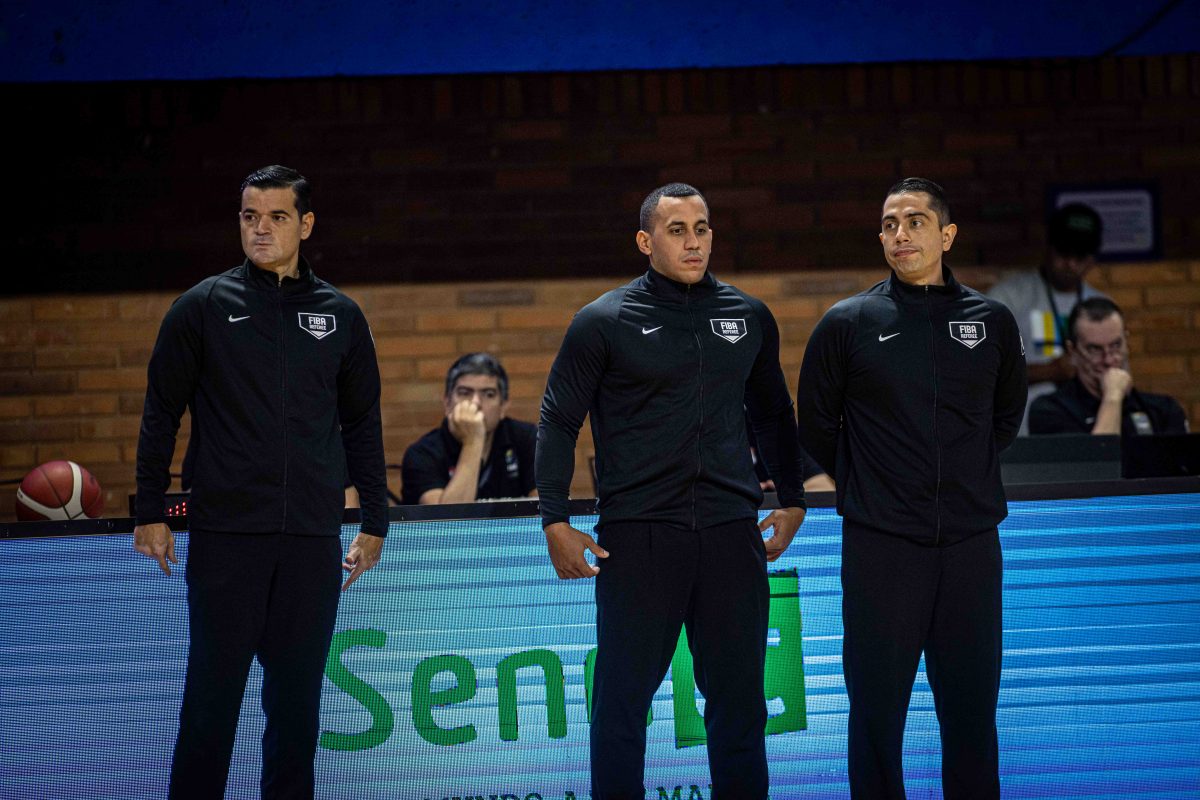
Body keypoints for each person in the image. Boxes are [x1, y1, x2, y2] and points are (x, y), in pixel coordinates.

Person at [536, 183, 807, 799]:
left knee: (740, 707)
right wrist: (554, 518)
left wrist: (792, 499)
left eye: (702, 228)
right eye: (677, 230)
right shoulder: (603, 321)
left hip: (730, 536)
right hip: (639, 538)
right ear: (645, 241)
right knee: (621, 706)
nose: (693, 242)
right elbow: (558, 418)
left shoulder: (748, 315)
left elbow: (773, 414)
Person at [132, 165, 388, 799]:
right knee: (210, 706)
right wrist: (150, 510)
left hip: (309, 540)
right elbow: (161, 411)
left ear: (306, 224)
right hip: (226, 537)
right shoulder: (202, 307)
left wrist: (375, 521)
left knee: (297, 712)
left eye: (276, 216)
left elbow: (362, 424)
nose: (261, 229)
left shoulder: (340, 315)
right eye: (250, 216)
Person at [796, 178, 1027, 799]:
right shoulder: (848, 323)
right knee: (876, 720)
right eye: (890, 224)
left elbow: (1004, 420)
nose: (900, 234)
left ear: (947, 235)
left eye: (916, 221)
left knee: (972, 718)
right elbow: (815, 426)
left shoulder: (991, 322)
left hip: (970, 547)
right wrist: (874, 482)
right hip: (882, 548)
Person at [987, 202, 1106, 434]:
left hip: (1085, 434)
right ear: (1048, 248)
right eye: (1063, 252)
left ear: (1092, 259)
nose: (1071, 263)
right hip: (1020, 435)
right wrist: (1050, 371)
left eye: (1080, 256)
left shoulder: (1102, 307)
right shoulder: (1007, 297)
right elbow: (984, 371)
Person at [1029, 297, 1188, 437]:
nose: (1108, 360)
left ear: (1126, 342)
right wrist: (1112, 396)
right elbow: (1097, 460)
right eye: (1094, 349)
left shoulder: (1162, 410)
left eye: (1116, 345)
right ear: (1073, 352)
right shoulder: (1050, 411)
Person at [401, 352, 537, 504]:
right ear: (447, 403)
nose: (476, 402)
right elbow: (448, 517)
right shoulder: (422, 454)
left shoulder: (527, 439)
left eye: (489, 394)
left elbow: (547, 509)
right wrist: (473, 441)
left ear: (503, 407)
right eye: (465, 393)